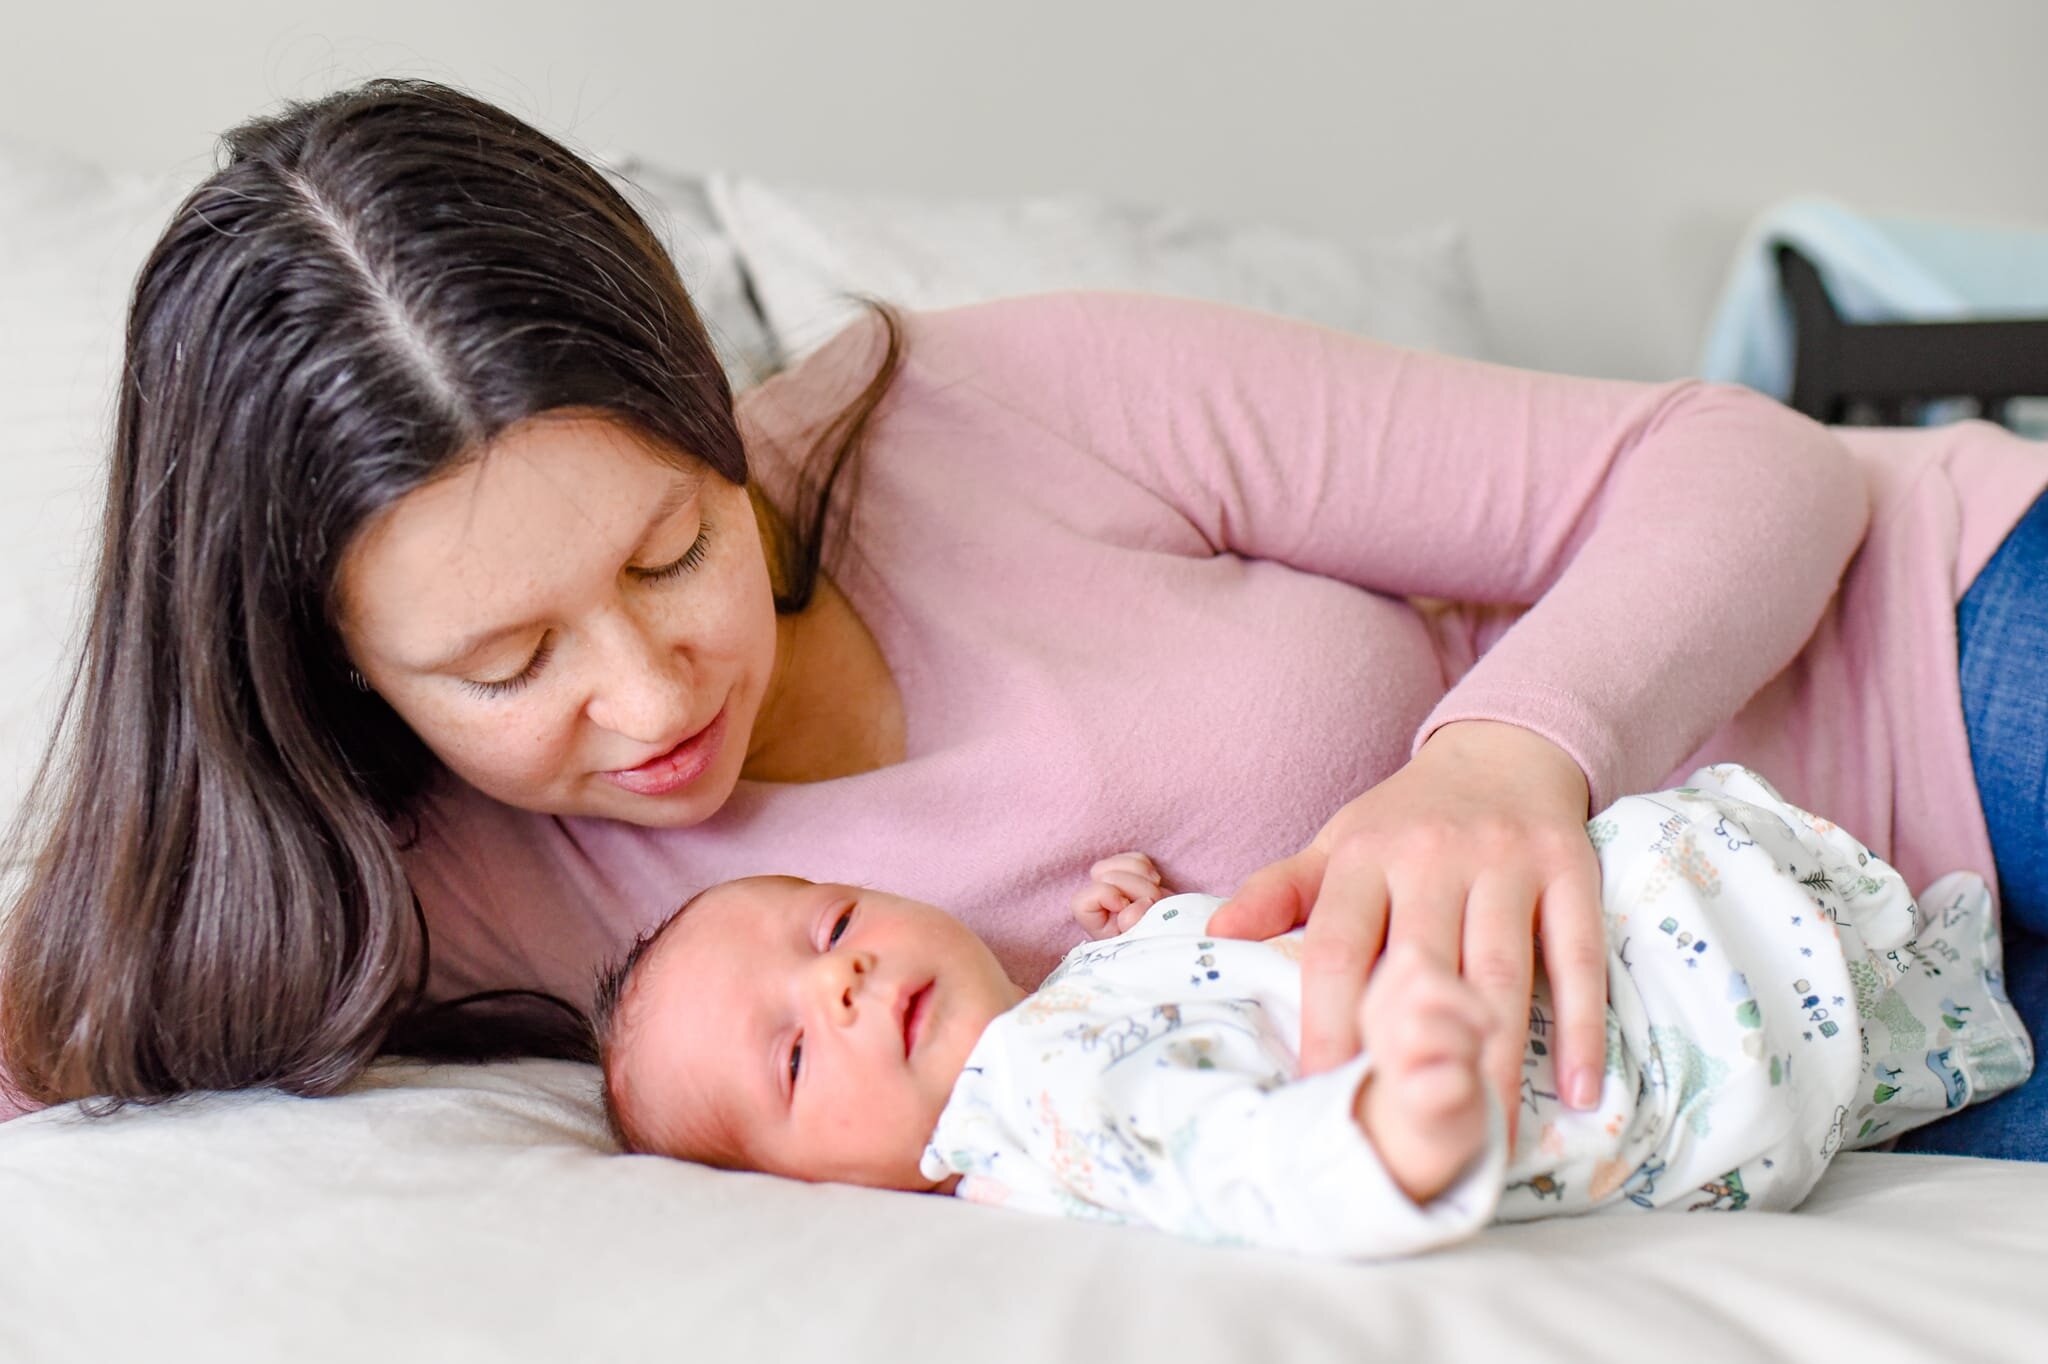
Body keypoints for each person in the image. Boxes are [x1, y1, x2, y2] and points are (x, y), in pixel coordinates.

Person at [2, 78, 2044, 1164]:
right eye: (506, 665)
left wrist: (1513, 751)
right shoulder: (415, 890)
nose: (643, 699)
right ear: (332, 667)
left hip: (1939, 657)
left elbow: (1743, 459)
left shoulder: (981, 409)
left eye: (666, 555)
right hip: (1844, 1046)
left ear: (716, 419)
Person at [589, 765, 2031, 1259]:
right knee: (1675, 878)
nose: (837, 982)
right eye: (791, 1051)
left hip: (1652, 984)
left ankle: (1935, 991)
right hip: (1630, 1031)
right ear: (807, 1191)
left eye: (832, 923)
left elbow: (1221, 999)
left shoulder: (1060, 1015)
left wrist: (1140, 924)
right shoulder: (1040, 1103)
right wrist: (1387, 1136)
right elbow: (1229, 1154)